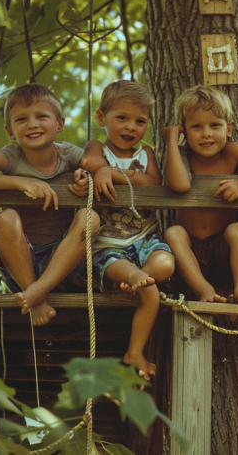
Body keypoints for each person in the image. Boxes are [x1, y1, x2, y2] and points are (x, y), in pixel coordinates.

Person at [0, 83, 97, 326]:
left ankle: (37, 292)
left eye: (42, 116)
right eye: (22, 119)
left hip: (67, 265)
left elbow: (99, 165)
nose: (32, 124)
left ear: (59, 124)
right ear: (10, 131)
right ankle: (35, 297)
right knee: (5, 218)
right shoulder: (10, 157)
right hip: (22, 267)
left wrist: (88, 178)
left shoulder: (68, 155)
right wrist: (17, 182)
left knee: (91, 217)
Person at [77, 80, 174, 381]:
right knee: (146, 287)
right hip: (108, 242)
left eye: (140, 121)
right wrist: (103, 168)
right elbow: (89, 161)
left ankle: (137, 279)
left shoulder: (145, 153)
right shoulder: (99, 147)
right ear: (101, 118)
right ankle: (135, 347)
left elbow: (153, 182)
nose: (131, 127)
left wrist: (118, 173)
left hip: (145, 237)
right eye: (122, 118)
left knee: (166, 264)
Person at [161, 85, 238, 306]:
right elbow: (179, 185)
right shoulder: (181, 156)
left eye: (215, 125)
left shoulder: (232, 152)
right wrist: (171, 142)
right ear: (184, 131)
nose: (206, 133)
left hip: (224, 249)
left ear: (229, 128)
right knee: (174, 232)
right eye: (196, 127)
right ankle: (203, 288)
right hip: (189, 253)